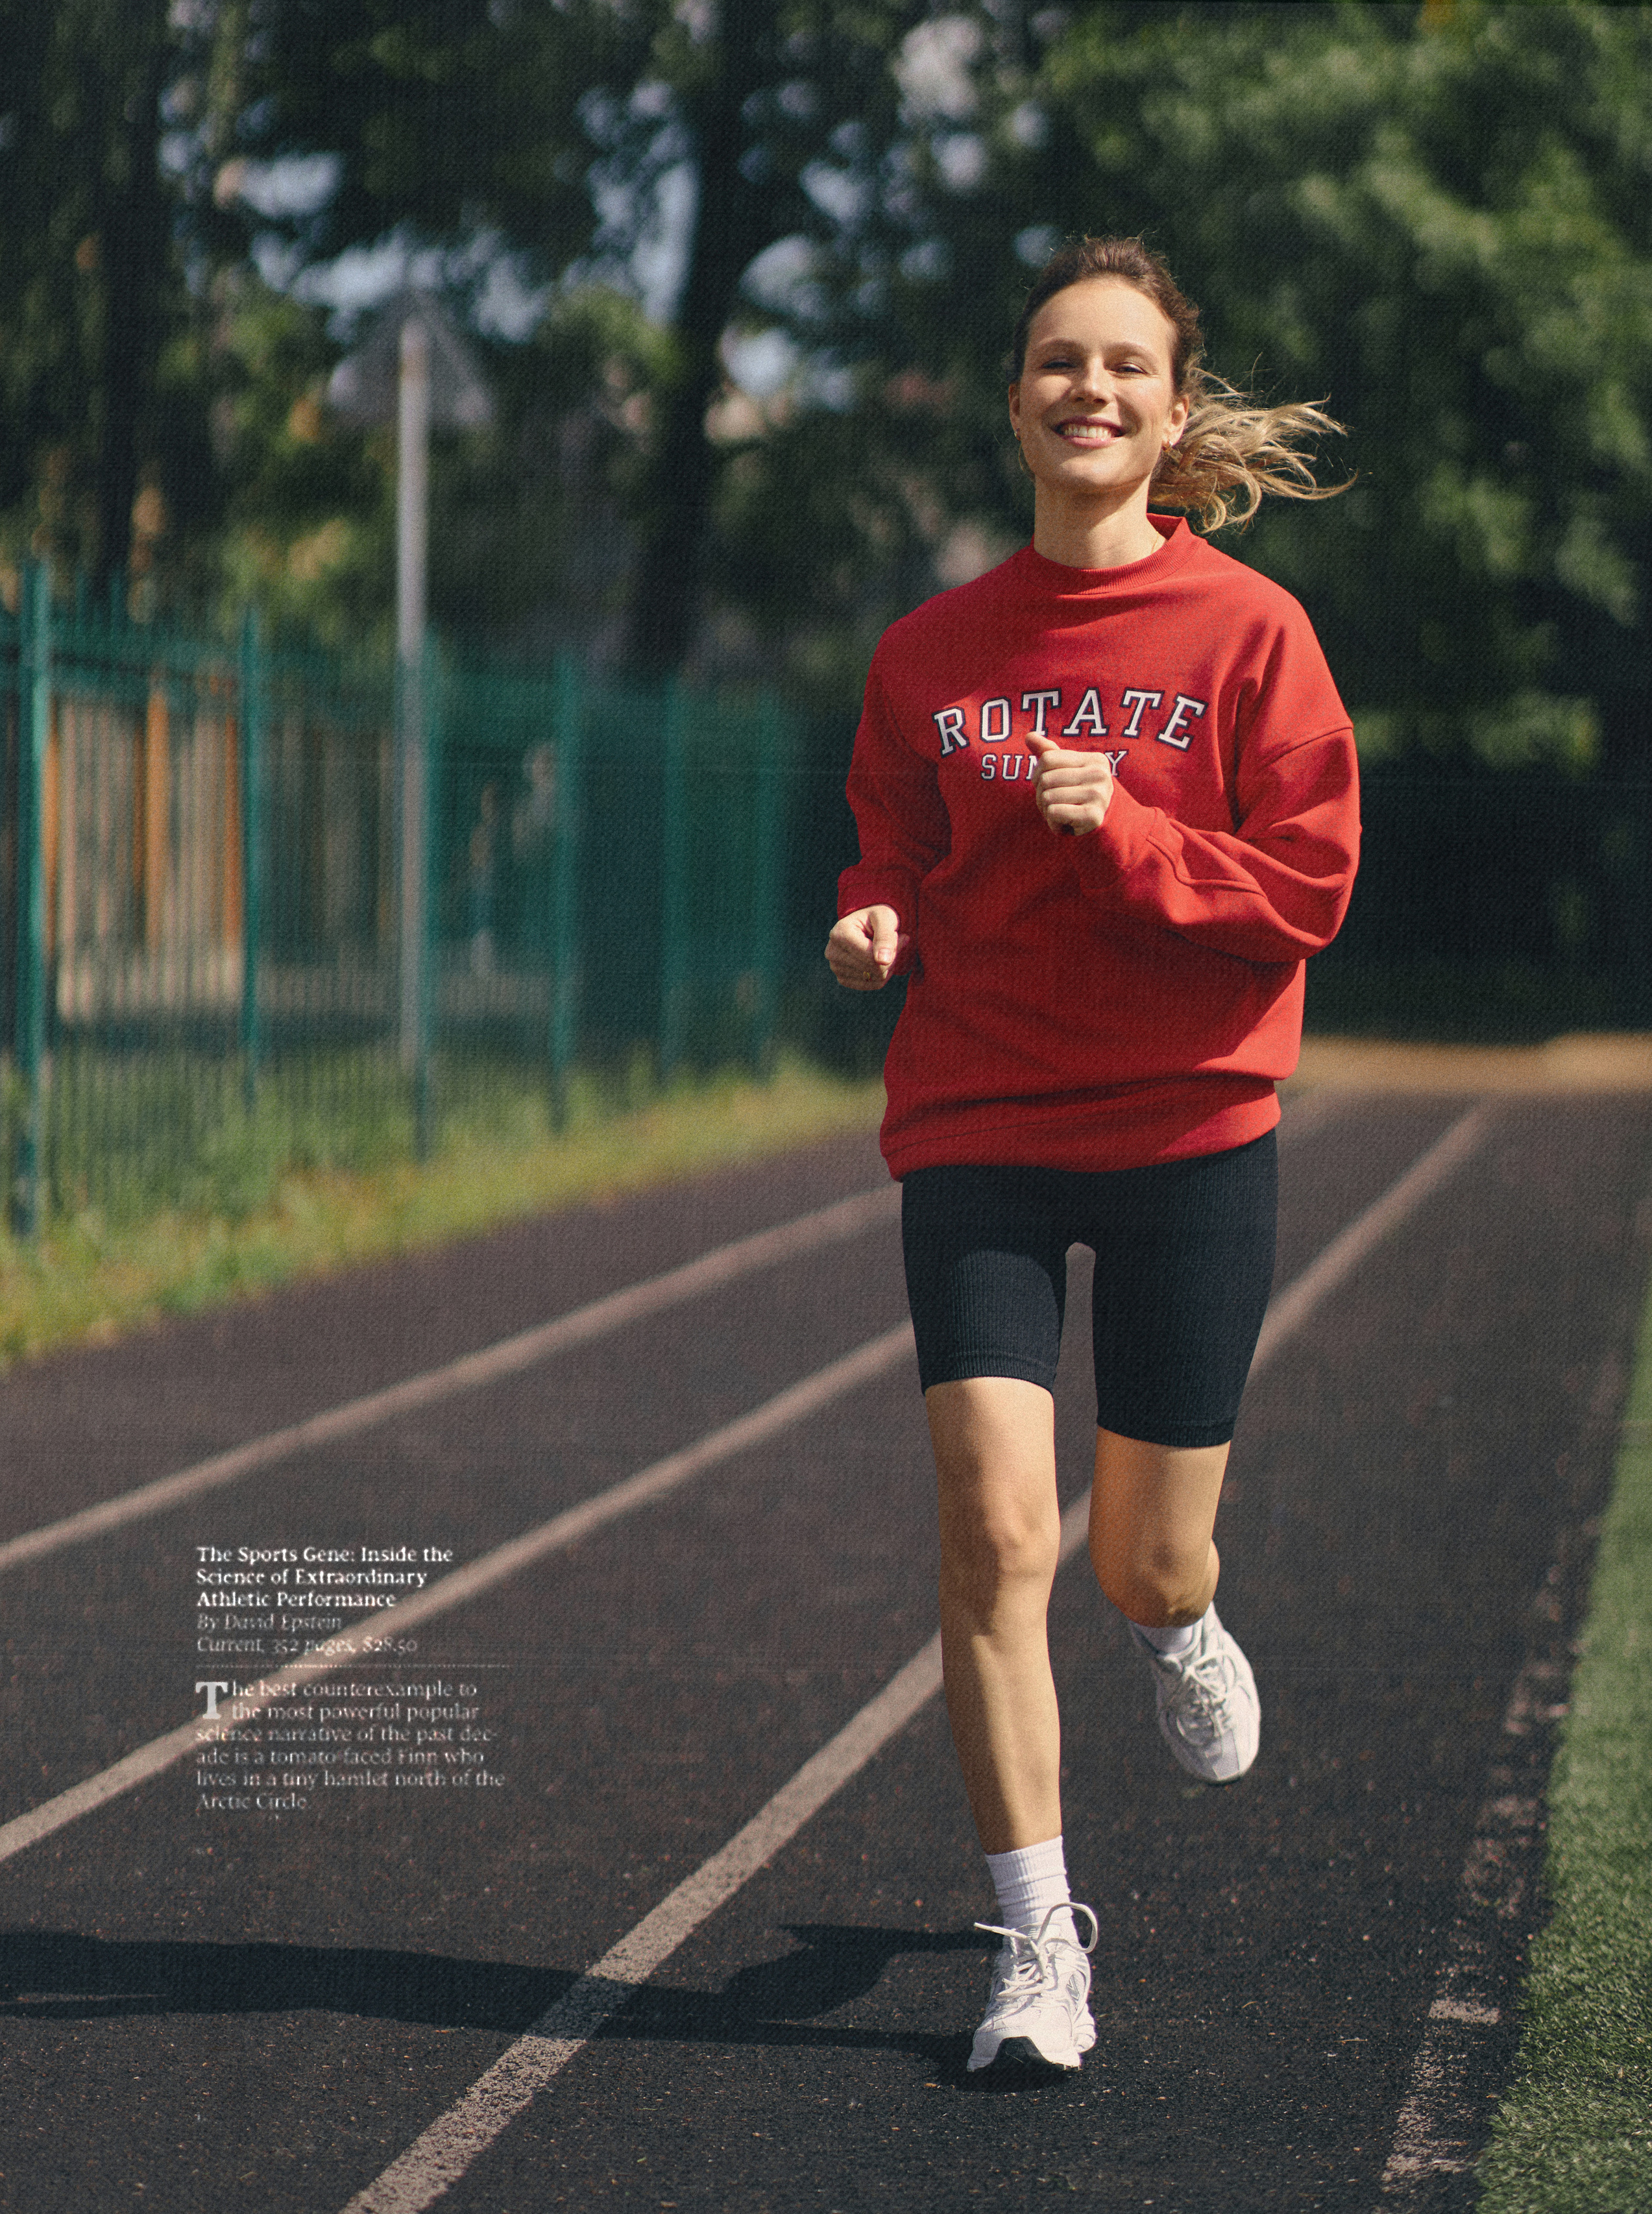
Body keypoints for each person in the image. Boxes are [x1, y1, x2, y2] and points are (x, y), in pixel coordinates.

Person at [826, 236, 1359, 2075]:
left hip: (1190, 1129)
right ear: (1015, 404)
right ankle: (1038, 1943)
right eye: (1061, 360)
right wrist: (875, 920)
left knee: (1139, 1563)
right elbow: (890, 845)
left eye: (1128, 365)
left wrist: (1128, 826)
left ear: (1173, 408)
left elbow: (1307, 889)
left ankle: (1182, 1620)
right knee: (995, 1534)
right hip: (979, 1120)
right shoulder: (929, 655)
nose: (1092, 389)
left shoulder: (1251, 635)